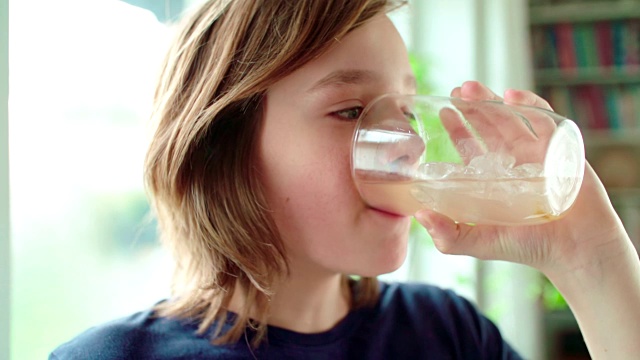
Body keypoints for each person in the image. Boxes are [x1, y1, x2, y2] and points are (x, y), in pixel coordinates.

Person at [50, 0, 640, 359]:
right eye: (353, 112)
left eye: (407, 112)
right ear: (220, 144)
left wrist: (592, 259)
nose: (408, 141)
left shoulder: (446, 335)